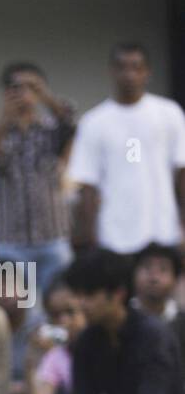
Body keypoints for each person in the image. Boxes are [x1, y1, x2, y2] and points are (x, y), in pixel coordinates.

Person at [60, 249, 185, 394]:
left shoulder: (153, 335)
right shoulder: (88, 339)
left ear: (117, 294)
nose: (81, 304)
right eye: (78, 295)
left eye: (89, 296)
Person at [70, 43, 185, 257]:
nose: (129, 75)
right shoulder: (93, 122)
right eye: (122, 67)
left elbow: (182, 173)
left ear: (147, 72)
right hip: (114, 237)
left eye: (136, 67)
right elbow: (87, 185)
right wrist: (91, 238)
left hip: (163, 232)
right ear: (111, 71)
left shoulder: (169, 114)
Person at [0, 62, 76, 306]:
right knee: (16, 308)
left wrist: (47, 98)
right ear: (6, 93)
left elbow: (72, 125)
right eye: (17, 88)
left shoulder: (51, 129)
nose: (24, 93)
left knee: (58, 303)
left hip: (53, 237)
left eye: (31, 87)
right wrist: (5, 119)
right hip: (11, 241)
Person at [130, 242, 181, 323]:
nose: (154, 278)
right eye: (147, 267)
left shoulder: (182, 321)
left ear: (175, 279)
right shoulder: (122, 317)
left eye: (163, 269)